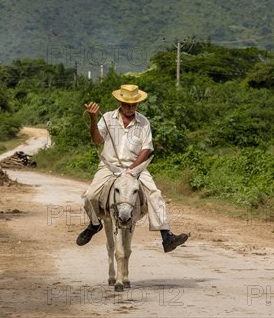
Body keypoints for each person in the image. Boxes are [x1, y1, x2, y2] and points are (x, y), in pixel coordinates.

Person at [76, 84, 189, 253]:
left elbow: (146, 148)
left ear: (138, 104)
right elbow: (97, 140)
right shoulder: (107, 118)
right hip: (110, 166)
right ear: (119, 102)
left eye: (133, 105)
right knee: (90, 195)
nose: (130, 108)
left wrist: (133, 168)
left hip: (136, 167)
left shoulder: (143, 122)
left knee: (154, 194)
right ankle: (94, 224)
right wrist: (93, 119)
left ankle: (167, 236)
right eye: (126, 104)